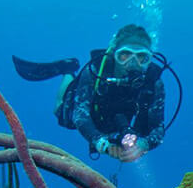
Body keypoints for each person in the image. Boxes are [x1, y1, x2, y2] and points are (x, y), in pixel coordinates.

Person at [65, 24, 166, 162]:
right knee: (63, 116)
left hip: (122, 120)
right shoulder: (95, 71)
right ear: (114, 54)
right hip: (97, 114)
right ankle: (67, 70)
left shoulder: (154, 82)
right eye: (125, 55)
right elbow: (80, 114)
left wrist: (143, 145)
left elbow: (158, 126)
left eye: (141, 57)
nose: (133, 63)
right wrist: (101, 143)